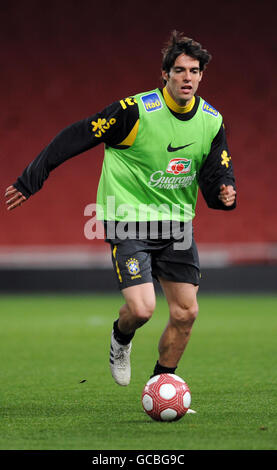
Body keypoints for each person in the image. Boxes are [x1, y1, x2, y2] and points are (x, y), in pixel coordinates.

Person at [5, 31, 236, 388]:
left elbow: (214, 169)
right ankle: (120, 337)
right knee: (142, 309)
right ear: (165, 74)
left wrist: (224, 190)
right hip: (128, 219)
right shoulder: (134, 112)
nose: (187, 77)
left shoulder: (212, 120)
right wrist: (30, 181)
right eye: (179, 70)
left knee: (186, 312)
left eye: (194, 71)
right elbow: (76, 135)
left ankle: (162, 385)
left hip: (176, 225)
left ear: (202, 75)